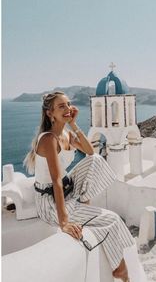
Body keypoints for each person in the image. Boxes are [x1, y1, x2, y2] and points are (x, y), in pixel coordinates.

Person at [24, 91, 135, 282]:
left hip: (68, 191)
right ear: (50, 113)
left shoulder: (66, 134)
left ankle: (83, 202)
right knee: (113, 219)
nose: (67, 109)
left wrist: (73, 124)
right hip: (49, 202)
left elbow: (90, 151)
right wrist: (64, 222)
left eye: (68, 104)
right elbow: (56, 180)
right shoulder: (48, 139)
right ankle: (120, 268)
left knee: (96, 160)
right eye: (61, 107)